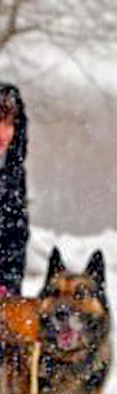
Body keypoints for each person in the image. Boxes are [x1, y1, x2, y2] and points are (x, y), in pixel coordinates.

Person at [0, 83, 29, 298]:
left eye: (10, 123)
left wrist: (7, 287)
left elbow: (15, 238)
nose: (4, 132)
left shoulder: (13, 175)